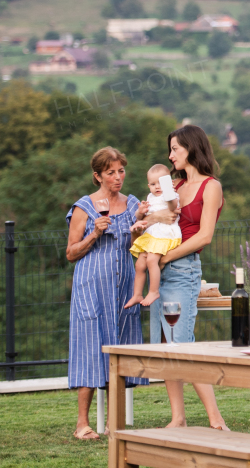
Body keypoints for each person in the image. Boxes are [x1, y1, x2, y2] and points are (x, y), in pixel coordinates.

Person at [66, 146, 150, 441]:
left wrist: (140, 225)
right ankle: (82, 425)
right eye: (111, 172)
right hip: (91, 286)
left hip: (125, 285)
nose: (118, 177)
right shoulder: (84, 207)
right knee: (90, 347)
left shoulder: (132, 204)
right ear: (98, 175)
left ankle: (116, 424)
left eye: (121, 171)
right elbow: (70, 253)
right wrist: (94, 234)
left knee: (121, 348)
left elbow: (139, 244)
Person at [150, 124, 229, 431]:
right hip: (160, 269)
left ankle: (215, 418)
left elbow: (205, 236)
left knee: (182, 343)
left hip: (182, 270)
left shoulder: (211, 187)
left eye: (175, 149)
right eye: (170, 150)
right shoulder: (173, 187)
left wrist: (166, 257)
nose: (170, 156)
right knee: (165, 346)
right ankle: (178, 417)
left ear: (192, 148)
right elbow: (158, 218)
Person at [125, 164, 181, 309]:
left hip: (166, 235)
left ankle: (153, 291)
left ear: (169, 184)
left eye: (161, 183)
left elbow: (173, 206)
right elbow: (140, 217)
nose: (157, 187)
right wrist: (140, 211)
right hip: (152, 236)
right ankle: (137, 294)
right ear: (148, 185)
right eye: (153, 184)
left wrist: (168, 188)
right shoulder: (151, 197)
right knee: (139, 264)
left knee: (151, 260)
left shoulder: (171, 195)